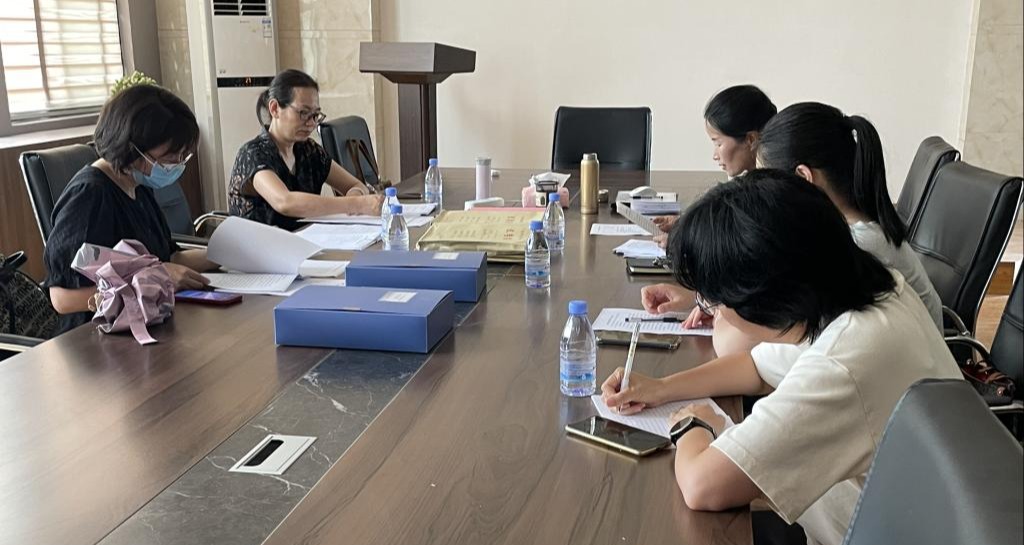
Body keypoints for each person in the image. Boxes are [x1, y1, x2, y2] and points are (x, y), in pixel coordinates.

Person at [601, 170, 961, 545]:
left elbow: (702, 485)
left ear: (762, 297)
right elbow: (755, 368)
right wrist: (660, 387)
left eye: (717, 302)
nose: (715, 312)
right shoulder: (860, 289)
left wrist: (692, 425)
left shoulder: (845, 362)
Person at [652, 102, 943, 351]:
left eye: (768, 184)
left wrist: (720, 308)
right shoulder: (853, 229)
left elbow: (737, 345)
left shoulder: (853, 247)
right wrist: (705, 300)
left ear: (803, 178)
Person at [44, 85, 216, 335]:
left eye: (182, 156)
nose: (177, 164)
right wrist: (144, 283)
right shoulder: (90, 196)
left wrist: (224, 254)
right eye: (171, 157)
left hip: (146, 323)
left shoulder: (138, 185)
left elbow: (167, 258)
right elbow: (62, 298)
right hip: (97, 337)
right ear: (132, 147)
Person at [228, 69, 383, 231]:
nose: (311, 123)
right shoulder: (253, 154)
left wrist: (356, 195)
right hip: (259, 245)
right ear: (274, 109)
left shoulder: (308, 150)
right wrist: (354, 204)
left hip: (306, 240)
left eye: (315, 115)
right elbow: (285, 202)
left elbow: (356, 185)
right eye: (303, 113)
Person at [651, 84, 776, 235]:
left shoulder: (766, 200)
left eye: (718, 143)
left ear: (751, 139)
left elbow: (730, 238)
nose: (715, 155)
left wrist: (681, 240)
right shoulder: (754, 184)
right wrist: (685, 223)